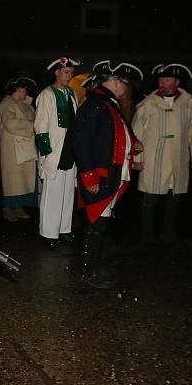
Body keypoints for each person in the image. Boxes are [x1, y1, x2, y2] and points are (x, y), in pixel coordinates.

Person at [72, 60, 144, 289]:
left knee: (99, 223)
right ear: (115, 82)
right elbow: (81, 142)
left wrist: (131, 143)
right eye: (125, 83)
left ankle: (90, 267)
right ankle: (87, 271)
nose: (126, 88)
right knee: (97, 224)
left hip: (110, 173)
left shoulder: (107, 103)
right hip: (100, 176)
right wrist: (89, 176)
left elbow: (111, 134)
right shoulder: (96, 104)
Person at [132, 63, 192, 245]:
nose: (162, 83)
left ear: (177, 81)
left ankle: (168, 233)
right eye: (161, 79)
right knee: (150, 198)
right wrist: (136, 158)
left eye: (167, 79)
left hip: (178, 158)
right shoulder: (147, 105)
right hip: (154, 159)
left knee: (174, 198)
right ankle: (147, 234)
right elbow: (136, 133)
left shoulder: (188, 105)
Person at [34, 57, 81, 249]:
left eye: (71, 73)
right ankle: (48, 233)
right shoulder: (47, 94)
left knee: (68, 191)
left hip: (70, 148)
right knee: (53, 193)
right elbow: (40, 125)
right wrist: (46, 153)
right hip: (55, 150)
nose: (69, 76)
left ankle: (63, 229)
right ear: (57, 72)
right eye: (66, 72)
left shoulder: (71, 93)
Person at [0, 76, 38, 222]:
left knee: (22, 180)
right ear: (18, 89)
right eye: (24, 89)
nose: (26, 93)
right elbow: (10, 123)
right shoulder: (7, 103)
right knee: (13, 180)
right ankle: (8, 207)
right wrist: (31, 126)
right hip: (13, 148)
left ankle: (18, 206)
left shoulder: (27, 105)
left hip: (25, 147)